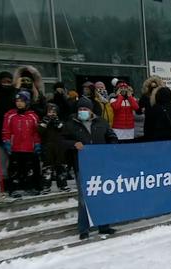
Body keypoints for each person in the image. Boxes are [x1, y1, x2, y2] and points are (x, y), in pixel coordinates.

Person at [61, 97, 118, 240]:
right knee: (84, 198)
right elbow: (61, 141)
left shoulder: (101, 122)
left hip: (100, 165)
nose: (82, 111)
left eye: (85, 109)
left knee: (102, 195)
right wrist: (74, 144)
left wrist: (111, 144)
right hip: (82, 166)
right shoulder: (71, 124)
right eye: (80, 109)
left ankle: (104, 225)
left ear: (91, 110)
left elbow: (111, 136)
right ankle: (83, 228)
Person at [2, 91, 41, 198]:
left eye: (22, 101)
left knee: (30, 169)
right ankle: (14, 188)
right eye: (17, 101)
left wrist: (37, 144)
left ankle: (31, 187)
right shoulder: (10, 115)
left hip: (29, 148)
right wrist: (7, 142)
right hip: (15, 147)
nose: (19, 103)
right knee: (15, 169)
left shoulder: (33, 116)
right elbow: (6, 131)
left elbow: (36, 132)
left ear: (27, 102)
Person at [38, 103, 70, 194]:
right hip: (47, 147)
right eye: (49, 111)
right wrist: (46, 121)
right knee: (47, 167)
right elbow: (40, 130)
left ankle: (63, 185)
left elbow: (64, 130)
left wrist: (57, 122)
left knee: (61, 166)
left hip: (59, 147)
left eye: (54, 112)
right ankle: (46, 186)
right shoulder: (43, 121)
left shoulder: (60, 121)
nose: (52, 113)